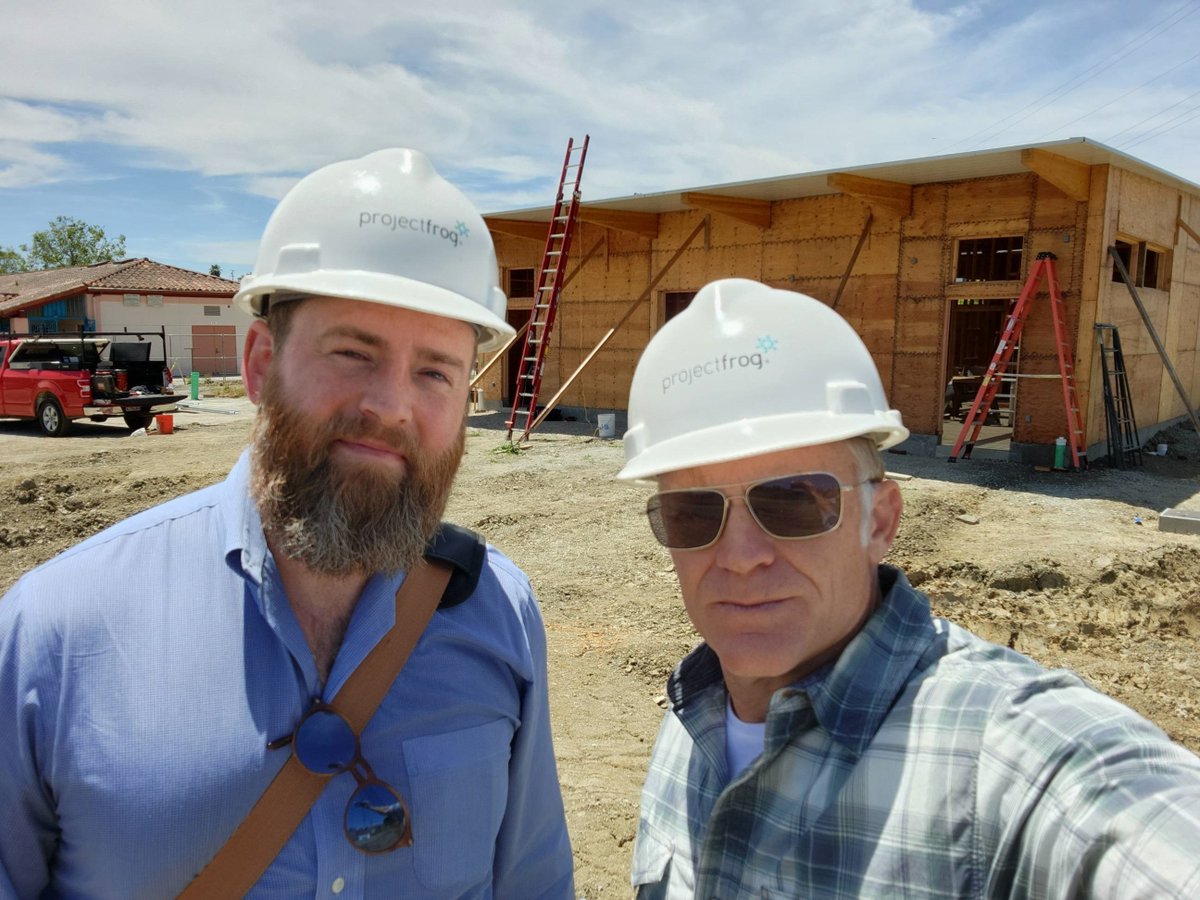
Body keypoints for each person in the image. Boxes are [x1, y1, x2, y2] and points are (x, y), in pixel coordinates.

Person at [0, 149, 574, 898]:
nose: (391, 406)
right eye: (352, 352)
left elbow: (532, 882)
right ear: (260, 362)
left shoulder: (499, 616)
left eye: (436, 371)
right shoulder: (55, 637)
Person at [619, 278, 1200, 898]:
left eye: (791, 501)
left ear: (880, 521)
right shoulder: (694, 719)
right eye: (693, 512)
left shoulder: (1006, 760)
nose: (740, 557)